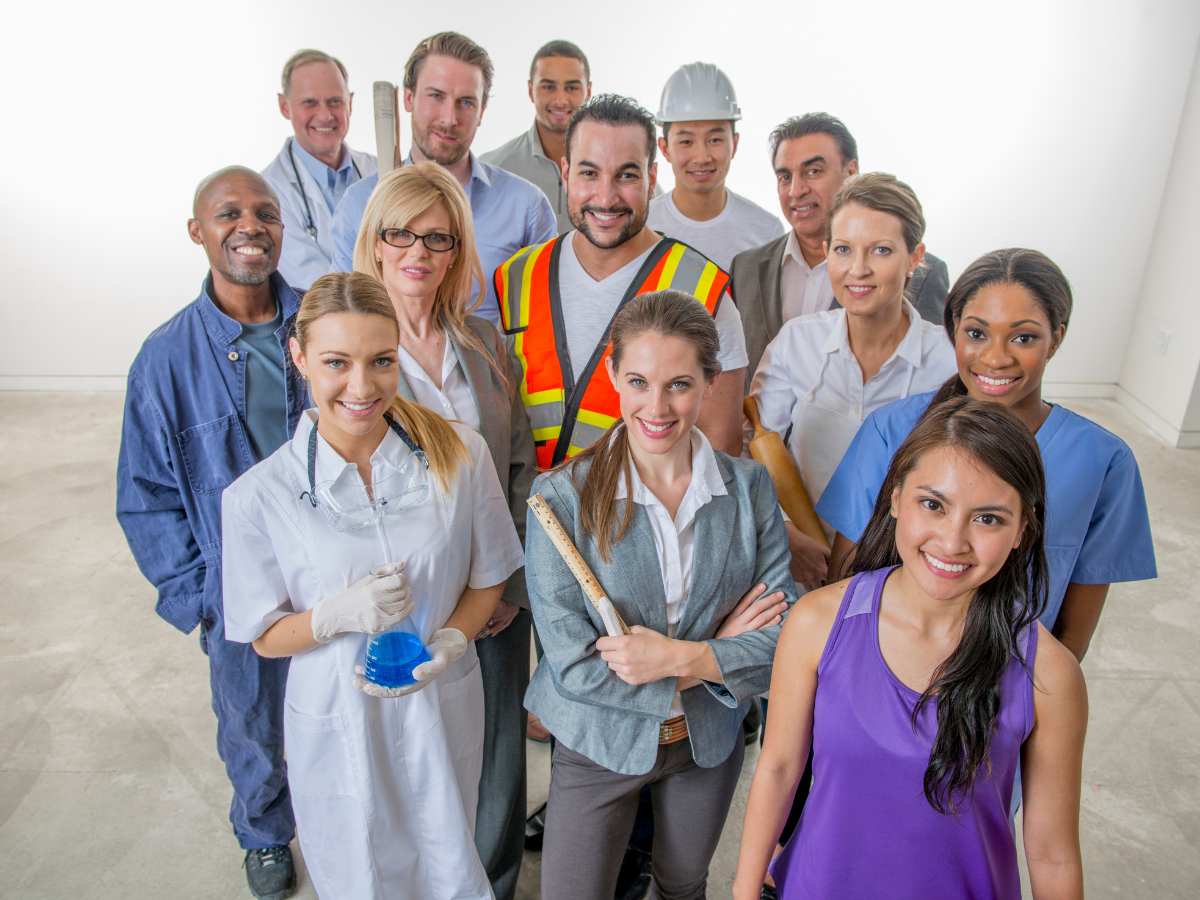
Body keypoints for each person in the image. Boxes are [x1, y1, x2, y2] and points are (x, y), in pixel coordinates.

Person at [221, 271, 524, 899]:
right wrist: (335, 616)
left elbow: (488, 576)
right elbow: (263, 638)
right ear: (300, 357)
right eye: (337, 362)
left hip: (441, 710)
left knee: (448, 863)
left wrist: (453, 641)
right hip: (338, 719)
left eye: (381, 361)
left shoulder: (460, 455)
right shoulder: (258, 497)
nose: (362, 386)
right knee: (359, 874)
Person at [735, 397, 1089, 900]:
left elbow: (1052, 853)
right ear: (896, 498)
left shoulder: (1050, 674)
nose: (952, 540)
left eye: (987, 519)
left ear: (1022, 532)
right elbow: (778, 770)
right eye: (933, 504)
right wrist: (744, 891)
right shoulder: (817, 622)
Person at [526, 291, 795, 900]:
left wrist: (680, 661)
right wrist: (720, 653)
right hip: (598, 739)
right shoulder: (560, 499)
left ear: (710, 383)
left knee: (682, 885)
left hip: (706, 741)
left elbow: (785, 633)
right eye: (639, 381)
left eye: (678, 384)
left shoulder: (750, 490)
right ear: (613, 376)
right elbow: (572, 666)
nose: (657, 406)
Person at [819, 248, 1157, 660]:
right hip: (882, 668)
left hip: (1010, 691)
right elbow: (845, 585)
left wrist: (1032, 709)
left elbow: (1070, 640)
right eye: (977, 333)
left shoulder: (1102, 462)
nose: (996, 357)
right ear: (954, 330)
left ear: (1057, 338)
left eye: (1024, 337)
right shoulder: (891, 430)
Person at [116, 167, 303, 899]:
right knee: (251, 722)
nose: (250, 225)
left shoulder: (321, 323)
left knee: (331, 709)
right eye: (229, 213)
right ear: (198, 230)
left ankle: (328, 814)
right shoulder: (164, 359)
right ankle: (264, 834)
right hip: (237, 589)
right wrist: (198, 595)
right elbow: (146, 495)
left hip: (325, 573)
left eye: (265, 212)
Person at [352, 161, 537, 900]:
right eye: (400, 233)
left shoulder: (486, 345)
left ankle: (488, 881)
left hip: (491, 597)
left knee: (495, 757)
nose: (417, 253)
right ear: (375, 242)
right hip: (399, 595)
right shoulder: (355, 351)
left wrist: (508, 588)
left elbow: (519, 460)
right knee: (404, 752)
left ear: (460, 249)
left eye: (438, 237)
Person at [496, 93, 749, 465]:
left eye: (626, 175)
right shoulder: (515, 276)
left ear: (651, 178)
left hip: (642, 521)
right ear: (565, 173)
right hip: (524, 518)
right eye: (589, 172)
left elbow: (720, 453)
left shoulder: (703, 290)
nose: (606, 196)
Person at [752, 173, 955, 589]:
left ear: (916, 257)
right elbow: (750, 451)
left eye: (881, 250)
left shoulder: (947, 362)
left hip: (908, 576)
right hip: (802, 563)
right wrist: (787, 535)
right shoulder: (797, 342)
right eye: (843, 250)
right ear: (827, 252)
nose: (857, 270)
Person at [331, 31, 556, 326]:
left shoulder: (526, 207)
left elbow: (544, 325)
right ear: (408, 98)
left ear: (482, 112)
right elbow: (339, 318)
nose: (450, 118)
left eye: (466, 102)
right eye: (436, 96)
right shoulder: (360, 203)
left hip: (492, 370)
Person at [732, 113, 951, 380]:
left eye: (813, 172)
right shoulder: (746, 268)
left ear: (851, 172)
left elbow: (934, 382)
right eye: (785, 177)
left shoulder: (923, 274)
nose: (796, 190)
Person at [647, 62, 782, 270]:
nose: (702, 157)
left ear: (734, 144)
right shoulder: (641, 227)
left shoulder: (766, 232)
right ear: (664, 149)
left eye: (715, 140)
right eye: (686, 142)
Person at [263, 49, 377, 290]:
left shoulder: (380, 172)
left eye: (335, 101)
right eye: (310, 103)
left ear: (351, 103)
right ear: (284, 106)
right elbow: (320, 288)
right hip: (325, 323)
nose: (325, 115)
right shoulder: (268, 192)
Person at [481, 40, 592, 233]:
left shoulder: (618, 166)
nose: (560, 100)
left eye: (572, 88)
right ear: (530, 90)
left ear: (588, 91)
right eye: (548, 87)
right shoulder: (493, 170)